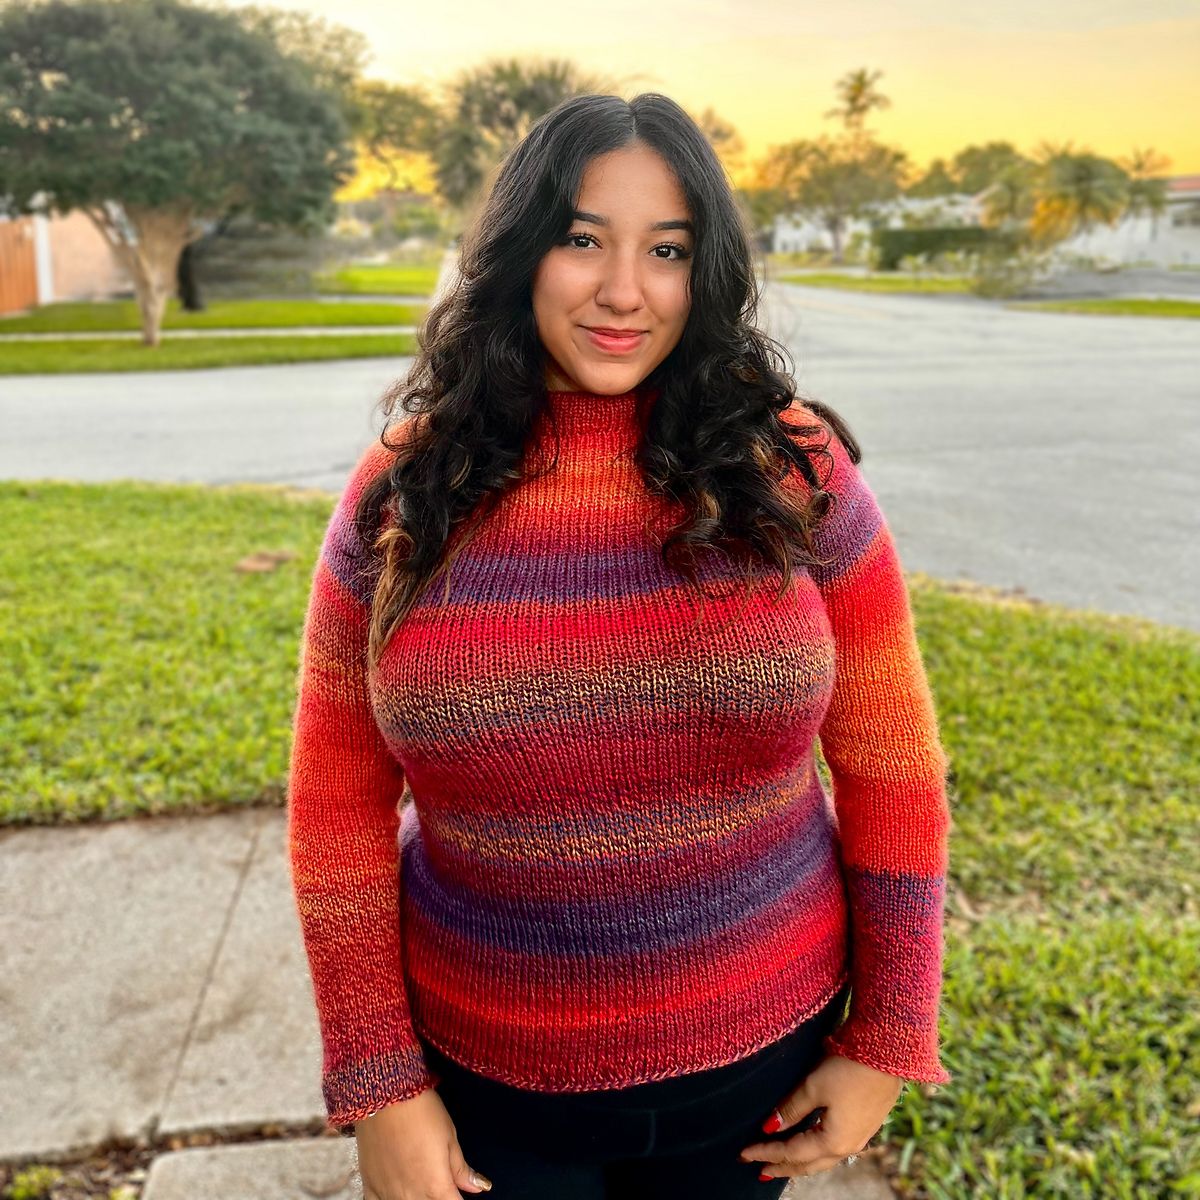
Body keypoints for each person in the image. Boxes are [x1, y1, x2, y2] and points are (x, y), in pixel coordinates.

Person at [286, 91, 953, 1200]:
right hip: (489, 1091)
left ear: (710, 269)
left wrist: (889, 1031)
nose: (624, 292)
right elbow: (335, 802)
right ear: (517, 252)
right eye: (582, 239)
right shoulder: (409, 482)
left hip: (757, 1078)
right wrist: (378, 1080)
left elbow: (891, 762)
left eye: (669, 250)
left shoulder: (793, 467)